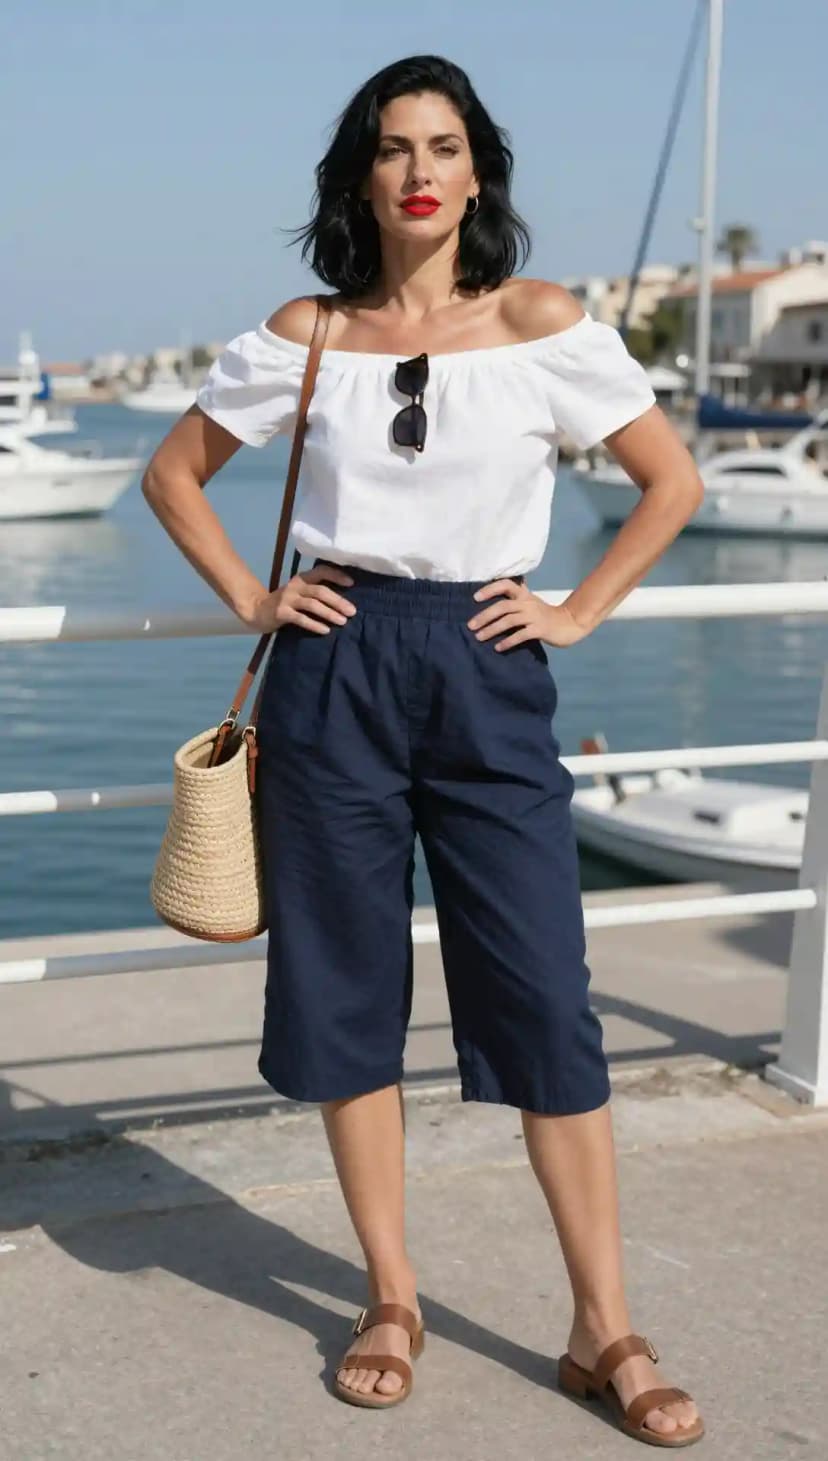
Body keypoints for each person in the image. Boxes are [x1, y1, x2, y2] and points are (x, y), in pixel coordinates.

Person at [142, 54, 705, 1447]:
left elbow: (670, 480)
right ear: (362, 175)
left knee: (547, 999)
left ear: (476, 171)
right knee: (344, 992)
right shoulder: (307, 333)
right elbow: (173, 473)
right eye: (395, 147)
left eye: (444, 146)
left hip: (488, 666)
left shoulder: (541, 321)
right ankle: (390, 1297)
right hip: (333, 666)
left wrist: (575, 609)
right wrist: (256, 598)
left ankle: (604, 1325)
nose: (419, 171)